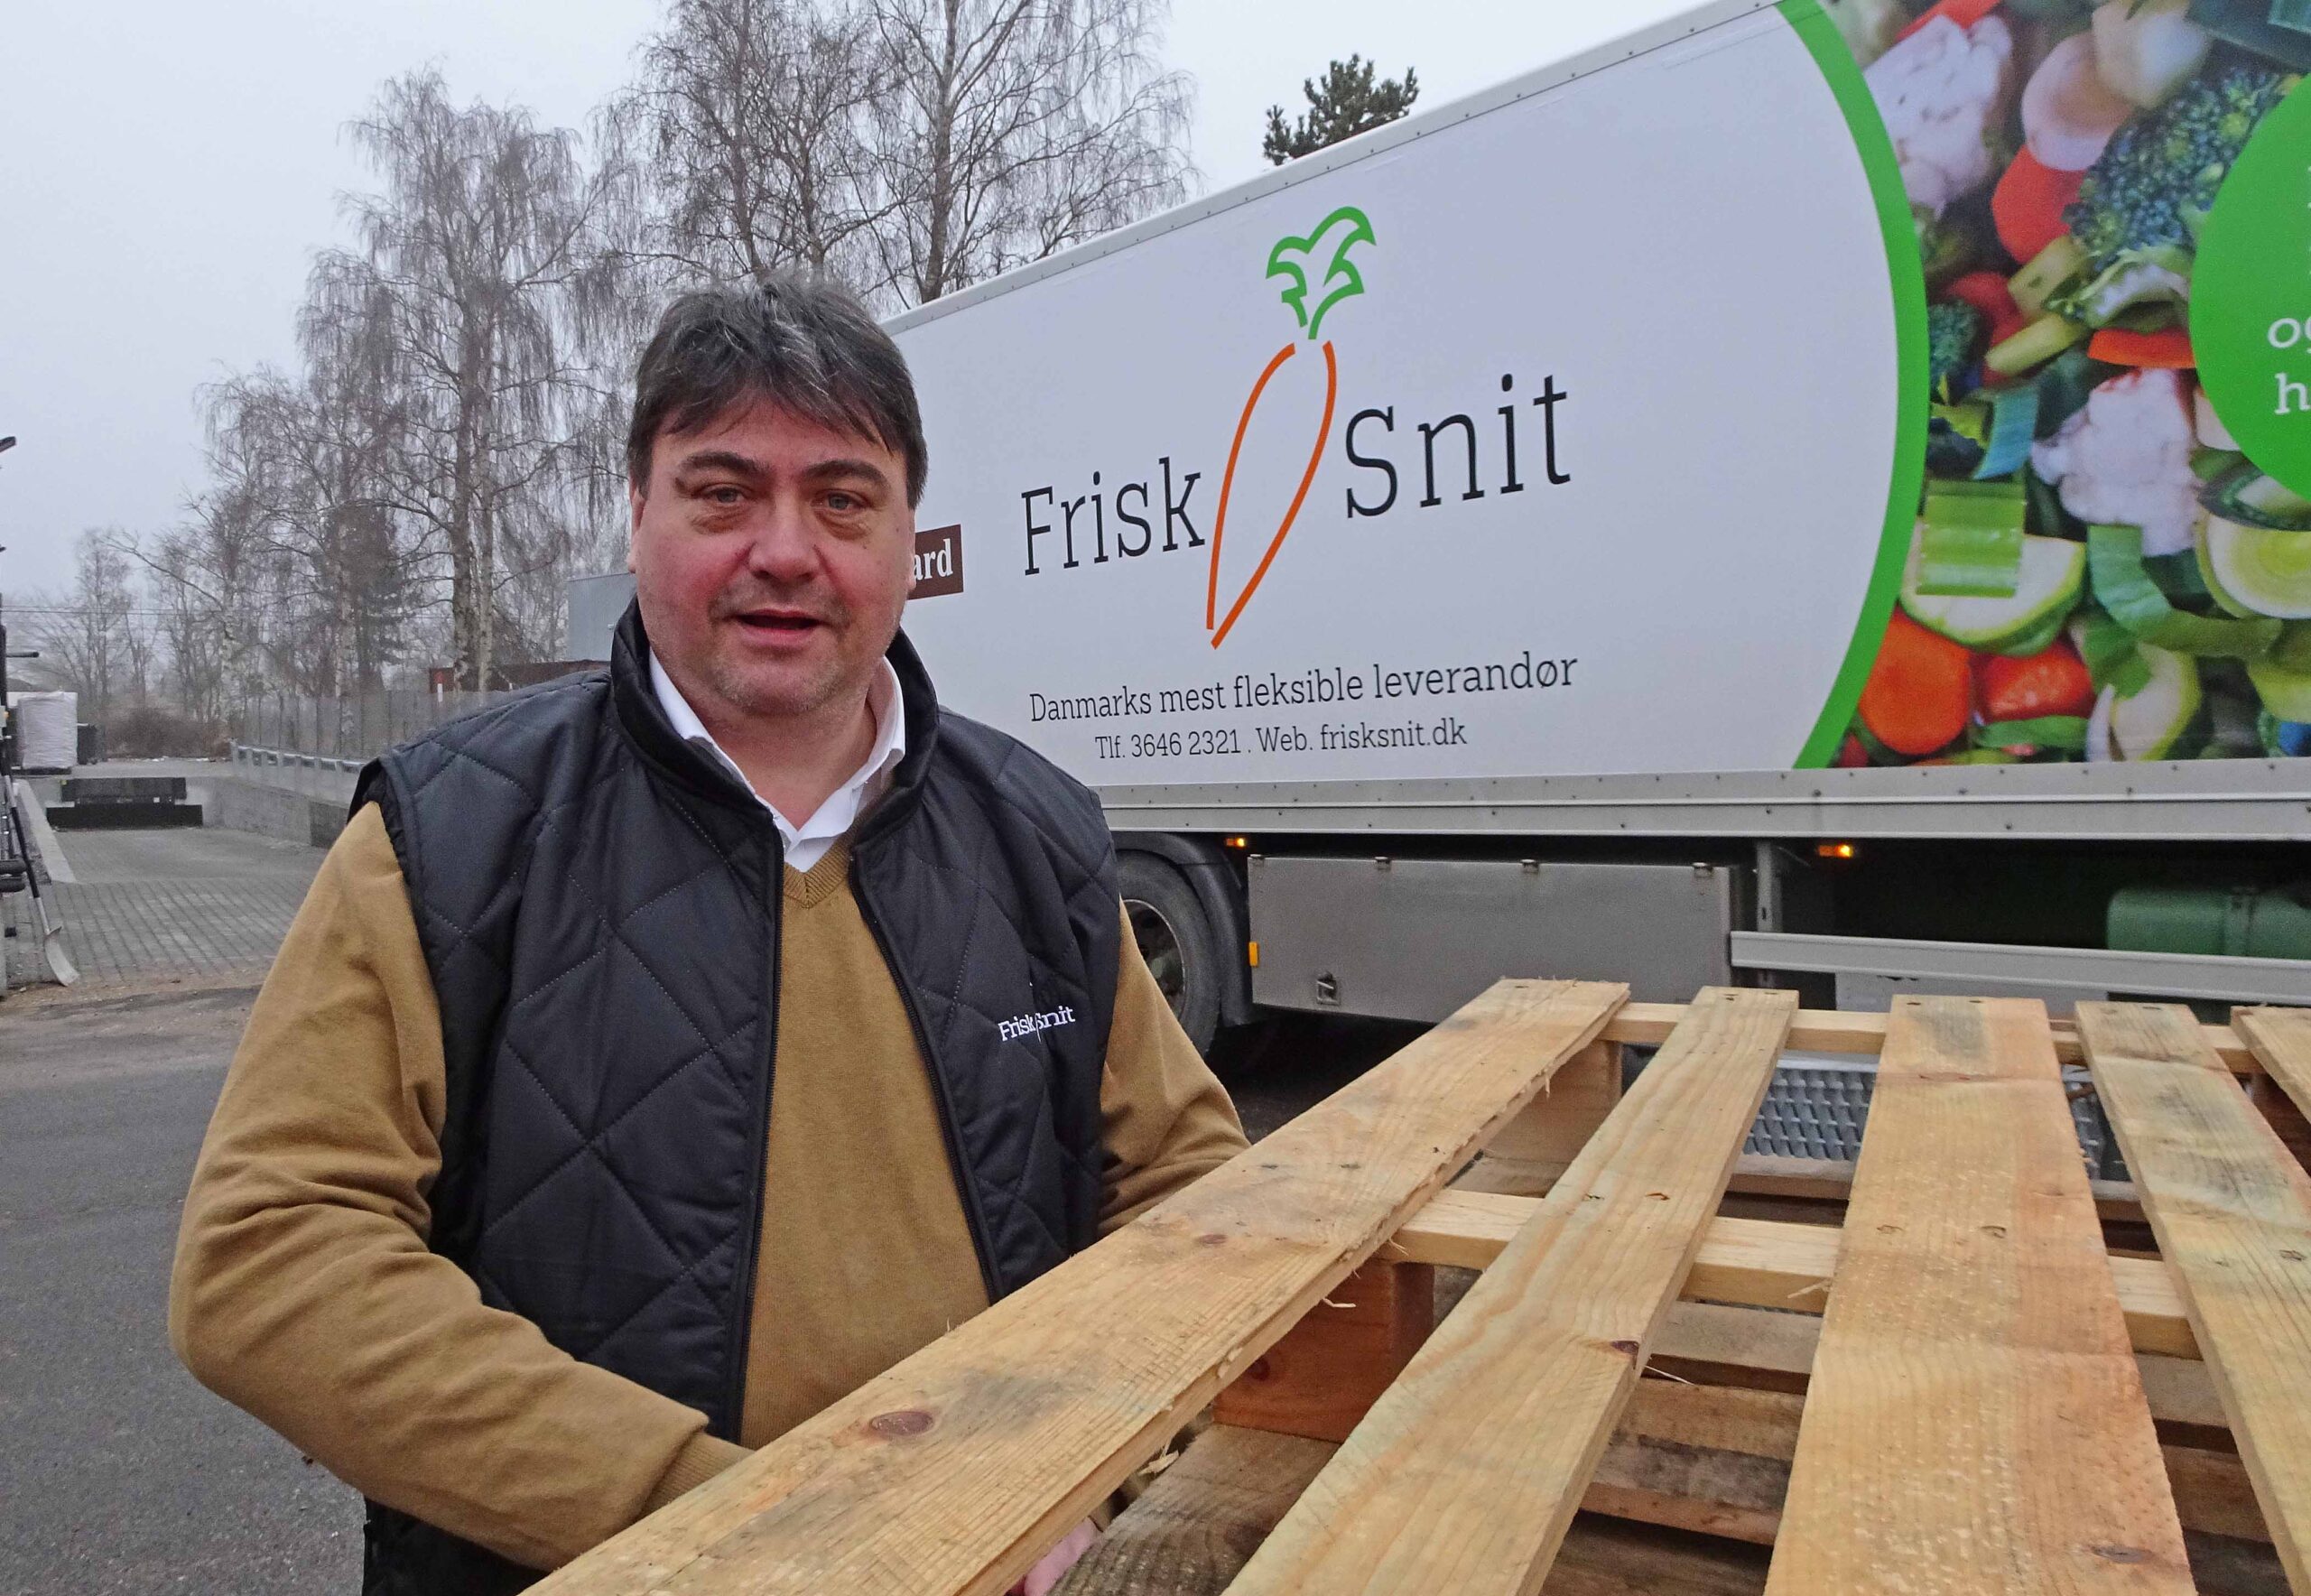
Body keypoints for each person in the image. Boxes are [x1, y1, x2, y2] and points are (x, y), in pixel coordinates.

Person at [170, 275, 1248, 1595]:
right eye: (724, 493)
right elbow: (273, 1253)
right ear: (637, 513)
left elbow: (1192, 1193)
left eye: (843, 500)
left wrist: (1093, 1471)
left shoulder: (1038, 834)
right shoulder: (448, 840)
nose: (786, 551)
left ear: (909, 537)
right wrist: (734, 1528)